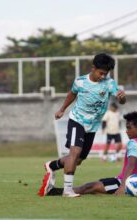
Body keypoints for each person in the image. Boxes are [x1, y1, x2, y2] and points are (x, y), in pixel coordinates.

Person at [38, 53, 126, 197]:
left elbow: (120, 98)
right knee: (75, 152)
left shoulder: (109, 83)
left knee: (78, 160)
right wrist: (62, 110)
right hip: (77, 120)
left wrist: (122, 98)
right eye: (101, 73)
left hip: (92, 126)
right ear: (93, 68)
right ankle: (67, 190)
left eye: (106, 73)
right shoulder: (80, 82)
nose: (103, 76)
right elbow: (72, 94)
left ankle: (52, 165)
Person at [43, 111, 137, 197]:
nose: (126, 131)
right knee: (99, 183)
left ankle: (54, 191)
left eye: (129, 128)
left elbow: (131, 164)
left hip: (124, 183)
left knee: (89, 186)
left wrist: (123, 186)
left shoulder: (134, 143)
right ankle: (58, 190)